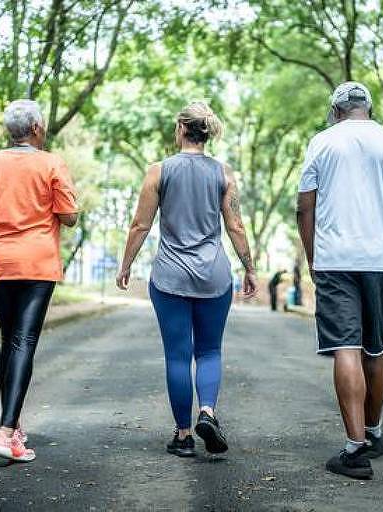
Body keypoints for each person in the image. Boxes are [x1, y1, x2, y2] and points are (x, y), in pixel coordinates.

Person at [296, 82, 383, 479]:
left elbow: (305, 207)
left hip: (337, 260)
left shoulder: (321, 142)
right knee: (376, 348)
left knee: (345, 348)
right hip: (382, 261)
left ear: (336, 110)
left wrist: (314, 258)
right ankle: (373, 433)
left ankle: (355, 451)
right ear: (367, 109)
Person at [116, 101, 258, 457]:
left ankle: (183, 436)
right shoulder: (224, 173)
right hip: (214, 277)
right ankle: (207, 412)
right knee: (209, 350)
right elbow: (236, 226)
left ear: (180, 129)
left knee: (178, 356)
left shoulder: (158, 172)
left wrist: (126, 265)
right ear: (206, 133)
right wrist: (250, 268)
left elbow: (140, 225)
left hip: (170, 277)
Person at [0, 99, 78, 462]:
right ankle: (5, 432)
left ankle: (13, 427)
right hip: (36, 263)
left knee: (10, 340)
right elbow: (69, 217)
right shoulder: (51, 162)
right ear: (35, 128)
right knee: (24, 340)